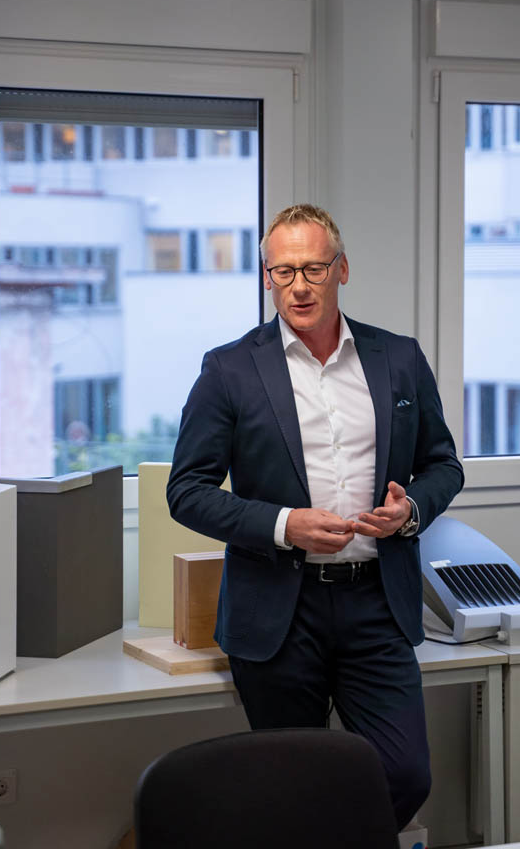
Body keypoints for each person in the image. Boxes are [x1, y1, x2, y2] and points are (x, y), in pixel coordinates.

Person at [167, 204, 464, 830]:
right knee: (291, 789)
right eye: (283, 271)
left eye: (313, 269)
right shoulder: (229, 369)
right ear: (267, 277)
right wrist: (284, 526)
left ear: (342, 269)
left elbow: (443, 465)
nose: (298, 286)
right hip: (279, 608)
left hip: (376, 604)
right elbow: (187, 491)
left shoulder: (399, 358)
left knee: (405, 774)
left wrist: (410, 510)